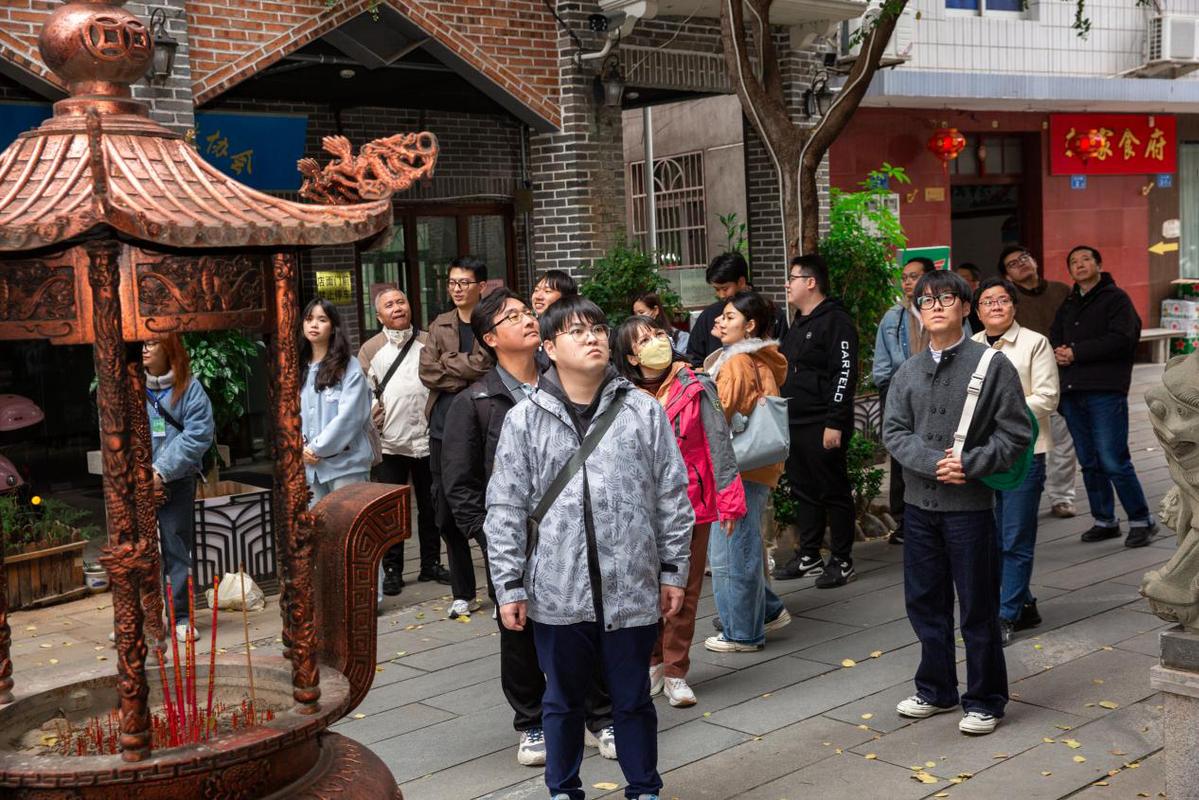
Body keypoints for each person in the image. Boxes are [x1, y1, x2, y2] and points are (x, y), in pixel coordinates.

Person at [484, 295, 694, 800]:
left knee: (633, 700)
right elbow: (505, 507)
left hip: (632, 585)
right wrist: (508, 584)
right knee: (561, 701)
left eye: (598, 328)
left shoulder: (642, 410)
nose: (593, 338)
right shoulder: (525, 419)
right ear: (550, 348)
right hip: (557, 590)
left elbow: (671, 495)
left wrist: (673, 571)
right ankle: (562, 789)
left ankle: (644, 788)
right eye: (576, 331)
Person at [442, 289, 617, 767]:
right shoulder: (475, 401)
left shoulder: (568, 380)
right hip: (513, 536)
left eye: (526, 312)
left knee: (587, 616)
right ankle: (532, 720)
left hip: (578, 527)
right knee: (517, 626)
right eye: (511, 317)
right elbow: (460, 483)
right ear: (490, 338)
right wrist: (489, 535)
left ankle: (600, 714)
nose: (527, 319)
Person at [883, 269, 1031, 736]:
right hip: (919, 508)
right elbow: (893, 432)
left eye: (946, 299)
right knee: (924, 602)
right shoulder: (908, 370)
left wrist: (971, 463)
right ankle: (936, 689)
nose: (935, 307)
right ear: (918, 313)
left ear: (966, 308)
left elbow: (1016, 433)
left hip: (970, 507)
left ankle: (986, 699)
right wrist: (933, 463)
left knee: (977, 606)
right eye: (926, 301)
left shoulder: (993, 365)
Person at [613, 314, 746, 706]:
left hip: (691, 505)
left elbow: (719, 444)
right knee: (642, 590)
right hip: (638, 510)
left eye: (658, 333)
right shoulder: (619, 395)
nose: (657, 342)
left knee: (684, 592)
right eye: (643, 340)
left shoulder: (696, 385)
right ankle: (652, 661)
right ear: (631, 357)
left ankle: (675, 670)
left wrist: (730, 502)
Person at [702, 291, 792, 653]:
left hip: (735, 464)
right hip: (755, 463)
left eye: (729, 317)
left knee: (731, 551)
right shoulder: (759, 357)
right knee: (743, 542)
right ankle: (767, 611)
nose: (719, 321)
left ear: (750, 325)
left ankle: (742, 633)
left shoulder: (737, 361)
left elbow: (719, 413)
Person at [971, 277, 1059, 644]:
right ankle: (1025, 604)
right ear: (977, 312)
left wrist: (999, 414)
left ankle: (1005, 616)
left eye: (1002, 300)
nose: (995, 306)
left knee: (1015, 537)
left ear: (1013, 306)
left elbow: (1047, 397)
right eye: (987, 301)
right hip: (982, 454)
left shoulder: (1035, 343)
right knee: (990, 537)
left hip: (1025, 452)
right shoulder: (970, 346)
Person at [1050, 245, 1156, 547]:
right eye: (1073, 261)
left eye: (1086, 259)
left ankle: (1142, 520)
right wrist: (1059, 351)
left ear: (1098, 264)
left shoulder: (1116, 299)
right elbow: (1055, 334)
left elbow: (1123, 339)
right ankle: (1104, 520)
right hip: (1073, 391)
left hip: (1105, 390)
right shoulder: (1069, 302)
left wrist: (1076, 352)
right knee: (1089, 461)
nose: (1080, 264)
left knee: (1113, 459)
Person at [773, 255, 859, 588]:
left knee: (833, 490)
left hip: (823, 421)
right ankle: (809, 555)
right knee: (803, 489)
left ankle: (842, 560)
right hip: (795, 420)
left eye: (792, 277)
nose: (787, 284)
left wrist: (835, 421)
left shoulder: (836, 321)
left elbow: (844, 373)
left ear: (810, 282)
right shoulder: (799, 322)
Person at [358, 288, 450, 597]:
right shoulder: (370, 349)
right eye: (389, 305)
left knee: (431, 505)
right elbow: (362, 391)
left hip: (427, 439)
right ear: (379, 315)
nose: (397, 307)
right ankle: (393, 570)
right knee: (390, 511)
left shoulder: (428, 341)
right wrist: (374, 414)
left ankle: (431, 563)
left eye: (401, 301)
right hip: (390, 443)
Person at [419, 256, 494, 619]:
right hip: (442, 427)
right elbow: (426, 371)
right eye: (452, 283)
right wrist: (464, 369)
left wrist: (449, 362)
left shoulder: (490, 321)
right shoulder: (440, 323)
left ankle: (500, 590)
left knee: (487, 509)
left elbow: (486, 365)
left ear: (481, 286)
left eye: (464, 283)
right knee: (446, 514)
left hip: (481, 428)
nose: (457, 289)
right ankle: (463, 592)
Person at [143, 334, 214, 643]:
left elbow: (199, 435)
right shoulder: (132, 386)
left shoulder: (190, 388)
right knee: (135, 551)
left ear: (169, 348)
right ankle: (140, 618)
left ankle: (181, 618)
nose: (144, 348)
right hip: (137, 484)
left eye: (152, 343)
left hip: (177, 480)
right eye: (142, 343)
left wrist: (161, 470)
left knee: (176, 549)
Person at [999, 244, 1077, 519]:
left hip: (1063, 374)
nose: (1021, 263)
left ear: (1034, 260)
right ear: (1007, 276)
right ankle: (1025, 494)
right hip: (1026, 380)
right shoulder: (1007, 300)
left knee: (1064, 441)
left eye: (1024, 258)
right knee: (1030, 440)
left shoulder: (1061, 291)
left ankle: (1062, 497)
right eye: (1012, 263)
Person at [872, 256, 936, 546]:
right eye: (905, 277)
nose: (908, 282)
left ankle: (933, 511)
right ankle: (903, 520)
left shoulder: (942, 311)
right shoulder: (893, 316)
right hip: (901, 394)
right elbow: (882, 363)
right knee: (900, 457)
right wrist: (889, 390)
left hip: (937, 392)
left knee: (935, 449)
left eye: (914, 276)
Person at [299, 298, 373, 505]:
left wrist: (316, 448)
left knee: (346, 522)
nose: (314, 325)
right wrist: (298, 448)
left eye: (322, 320)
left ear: (333, 328)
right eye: (309, 319)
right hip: (310, 468)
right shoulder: (298, 368)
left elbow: (350, 418)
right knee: (316, 523)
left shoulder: (349, 367)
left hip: (346, 466)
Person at [685, 252, 788, 367]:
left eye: (725, 288)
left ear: (741, 282)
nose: (721, 295)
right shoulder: (709, 315)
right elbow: (693, 359)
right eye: (717, 289)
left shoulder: (772, 312)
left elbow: (783, 359)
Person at [632, 291, 689, 356]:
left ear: (655, 310)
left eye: (641, 312)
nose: (637, 318)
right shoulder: (632, 339)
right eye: (635, 314)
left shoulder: (680, 337)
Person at [955, 263, 983, 334]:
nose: (958, 283)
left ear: (976, 283)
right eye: (956, 278)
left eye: (963, 279)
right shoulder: (954, 304)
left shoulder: (981, 304)